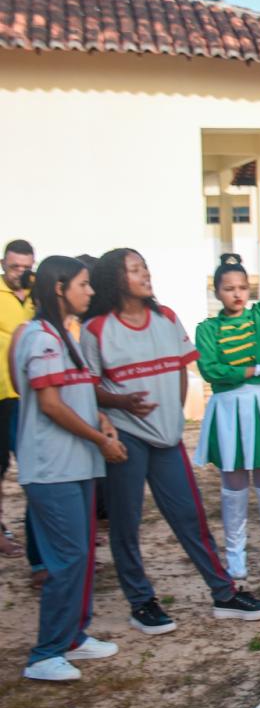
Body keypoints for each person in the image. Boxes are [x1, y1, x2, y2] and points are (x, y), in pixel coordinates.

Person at [83, 249, 260, 632]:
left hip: (167, 438)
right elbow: (87, 389)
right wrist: (120, 403)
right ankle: (142, 602)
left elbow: (181, 370)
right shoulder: (97, 329)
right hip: (126, 438)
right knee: (126, 522)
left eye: (145, 267)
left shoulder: (166, 317)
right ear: (114, 280)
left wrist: (172, 409)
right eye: (134, 270)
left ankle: (225, 594)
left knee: (191, 516)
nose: (145, 274)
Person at [13, 255, 126, 681]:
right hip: (51, 468)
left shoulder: (67, 336)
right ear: (60, 288)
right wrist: (100, 440)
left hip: (77, 465)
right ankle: (45, 654)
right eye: (83, 284)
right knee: (67, 558)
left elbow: (77, 394)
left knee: (80, 555)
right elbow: (49, 404)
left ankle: (72, 637)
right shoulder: (41, 337)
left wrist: (101, 419)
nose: (91, 291)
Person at [193, 256, 260, 580]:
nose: (237, 294)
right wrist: (254, 370)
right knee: (234, 484)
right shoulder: (207, 329)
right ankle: (235, 552)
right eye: (229, 289)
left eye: (242, 287)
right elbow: (210, 369)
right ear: (217, 292)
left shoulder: (259, 317)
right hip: (229, 409)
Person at [1, 238, 36, 559]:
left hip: (32, 396)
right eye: (15, 267)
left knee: (35, 469)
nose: (21, 274)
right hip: (1, 397)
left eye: (27, 267)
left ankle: (42, 539)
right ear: (3, 265)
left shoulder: (38, 297)